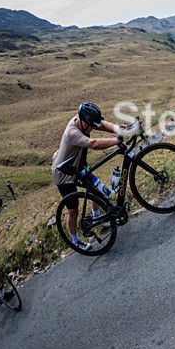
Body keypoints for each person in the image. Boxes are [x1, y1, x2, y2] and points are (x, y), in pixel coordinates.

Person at [51, 102, 123, 251]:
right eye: (91, 125)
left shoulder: (84, 120)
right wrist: (117, 140)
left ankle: (97, 217)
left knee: (96, 190)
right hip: (63, 174)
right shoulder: (73, 132)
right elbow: (94, 143)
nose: (93, 128)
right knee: (73, 210)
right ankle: (75, 241)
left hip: (77, 166)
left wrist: (119, 129)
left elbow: (102, 124)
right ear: (83, 123)